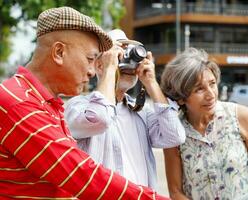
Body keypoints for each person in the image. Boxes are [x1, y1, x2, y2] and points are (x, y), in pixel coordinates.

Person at [0, 7, 170, 199]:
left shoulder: (46, 104)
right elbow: (82, 174)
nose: (91, 71)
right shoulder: (18, 102)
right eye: (90, 59)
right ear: (59, 52)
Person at [64, 29, 186, 189]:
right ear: (99, 65)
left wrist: (151, 83)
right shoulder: (78, 107)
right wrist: (110, 69)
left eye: (131, 55)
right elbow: (100, 118)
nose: (129, 62)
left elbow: (174, 136)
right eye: (120, 55)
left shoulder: (142, 111)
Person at [160, 47, 248, 200]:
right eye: (199, 89)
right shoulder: (173, 131)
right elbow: (175, 191)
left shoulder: (240, 115)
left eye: (212, 83)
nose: (210, 94)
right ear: (180, 97)